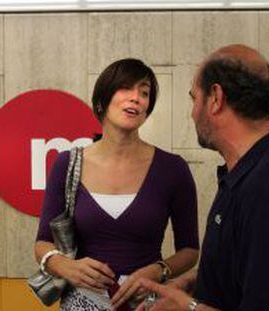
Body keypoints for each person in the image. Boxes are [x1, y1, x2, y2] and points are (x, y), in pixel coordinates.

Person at [135, 44, 269, 311]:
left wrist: (188, 307)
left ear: (215, 98)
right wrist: (196, 281)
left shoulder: (267, 188)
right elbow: (253, 273)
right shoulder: (251, 170)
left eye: (194, 99)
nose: (192, 113)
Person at [34, 58, 200, 311]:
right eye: (126, 89)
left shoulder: (172, 168)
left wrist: (159, 270)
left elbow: (189, 249)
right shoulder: (66, 164)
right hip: (81, 303)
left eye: (144, 93)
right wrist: (68, 266)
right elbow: (42, 243)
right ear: (102, 100)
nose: (136, 98)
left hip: (147, 303)